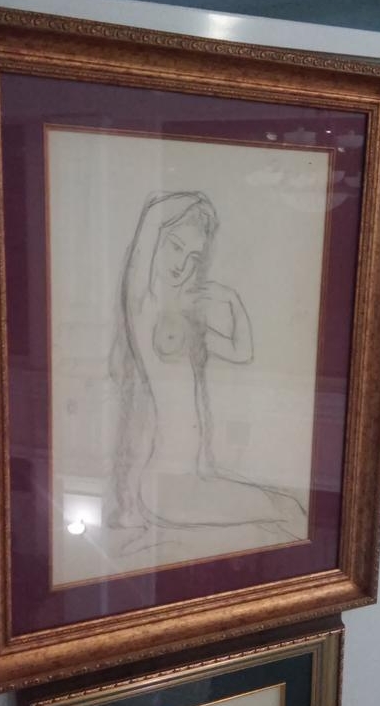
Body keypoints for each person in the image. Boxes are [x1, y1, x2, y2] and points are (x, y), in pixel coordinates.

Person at [105, 191, 305, 534]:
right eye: (175, 246)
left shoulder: (186, 323)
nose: (182, 264)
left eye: (193, 257)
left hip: (193, 478)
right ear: (156, 241)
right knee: (290, 511)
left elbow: (242, 352)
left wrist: (233, 301)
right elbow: (150, 223)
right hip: (166, 487)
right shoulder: (143, 309)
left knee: (290, 507)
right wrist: (193, 203)